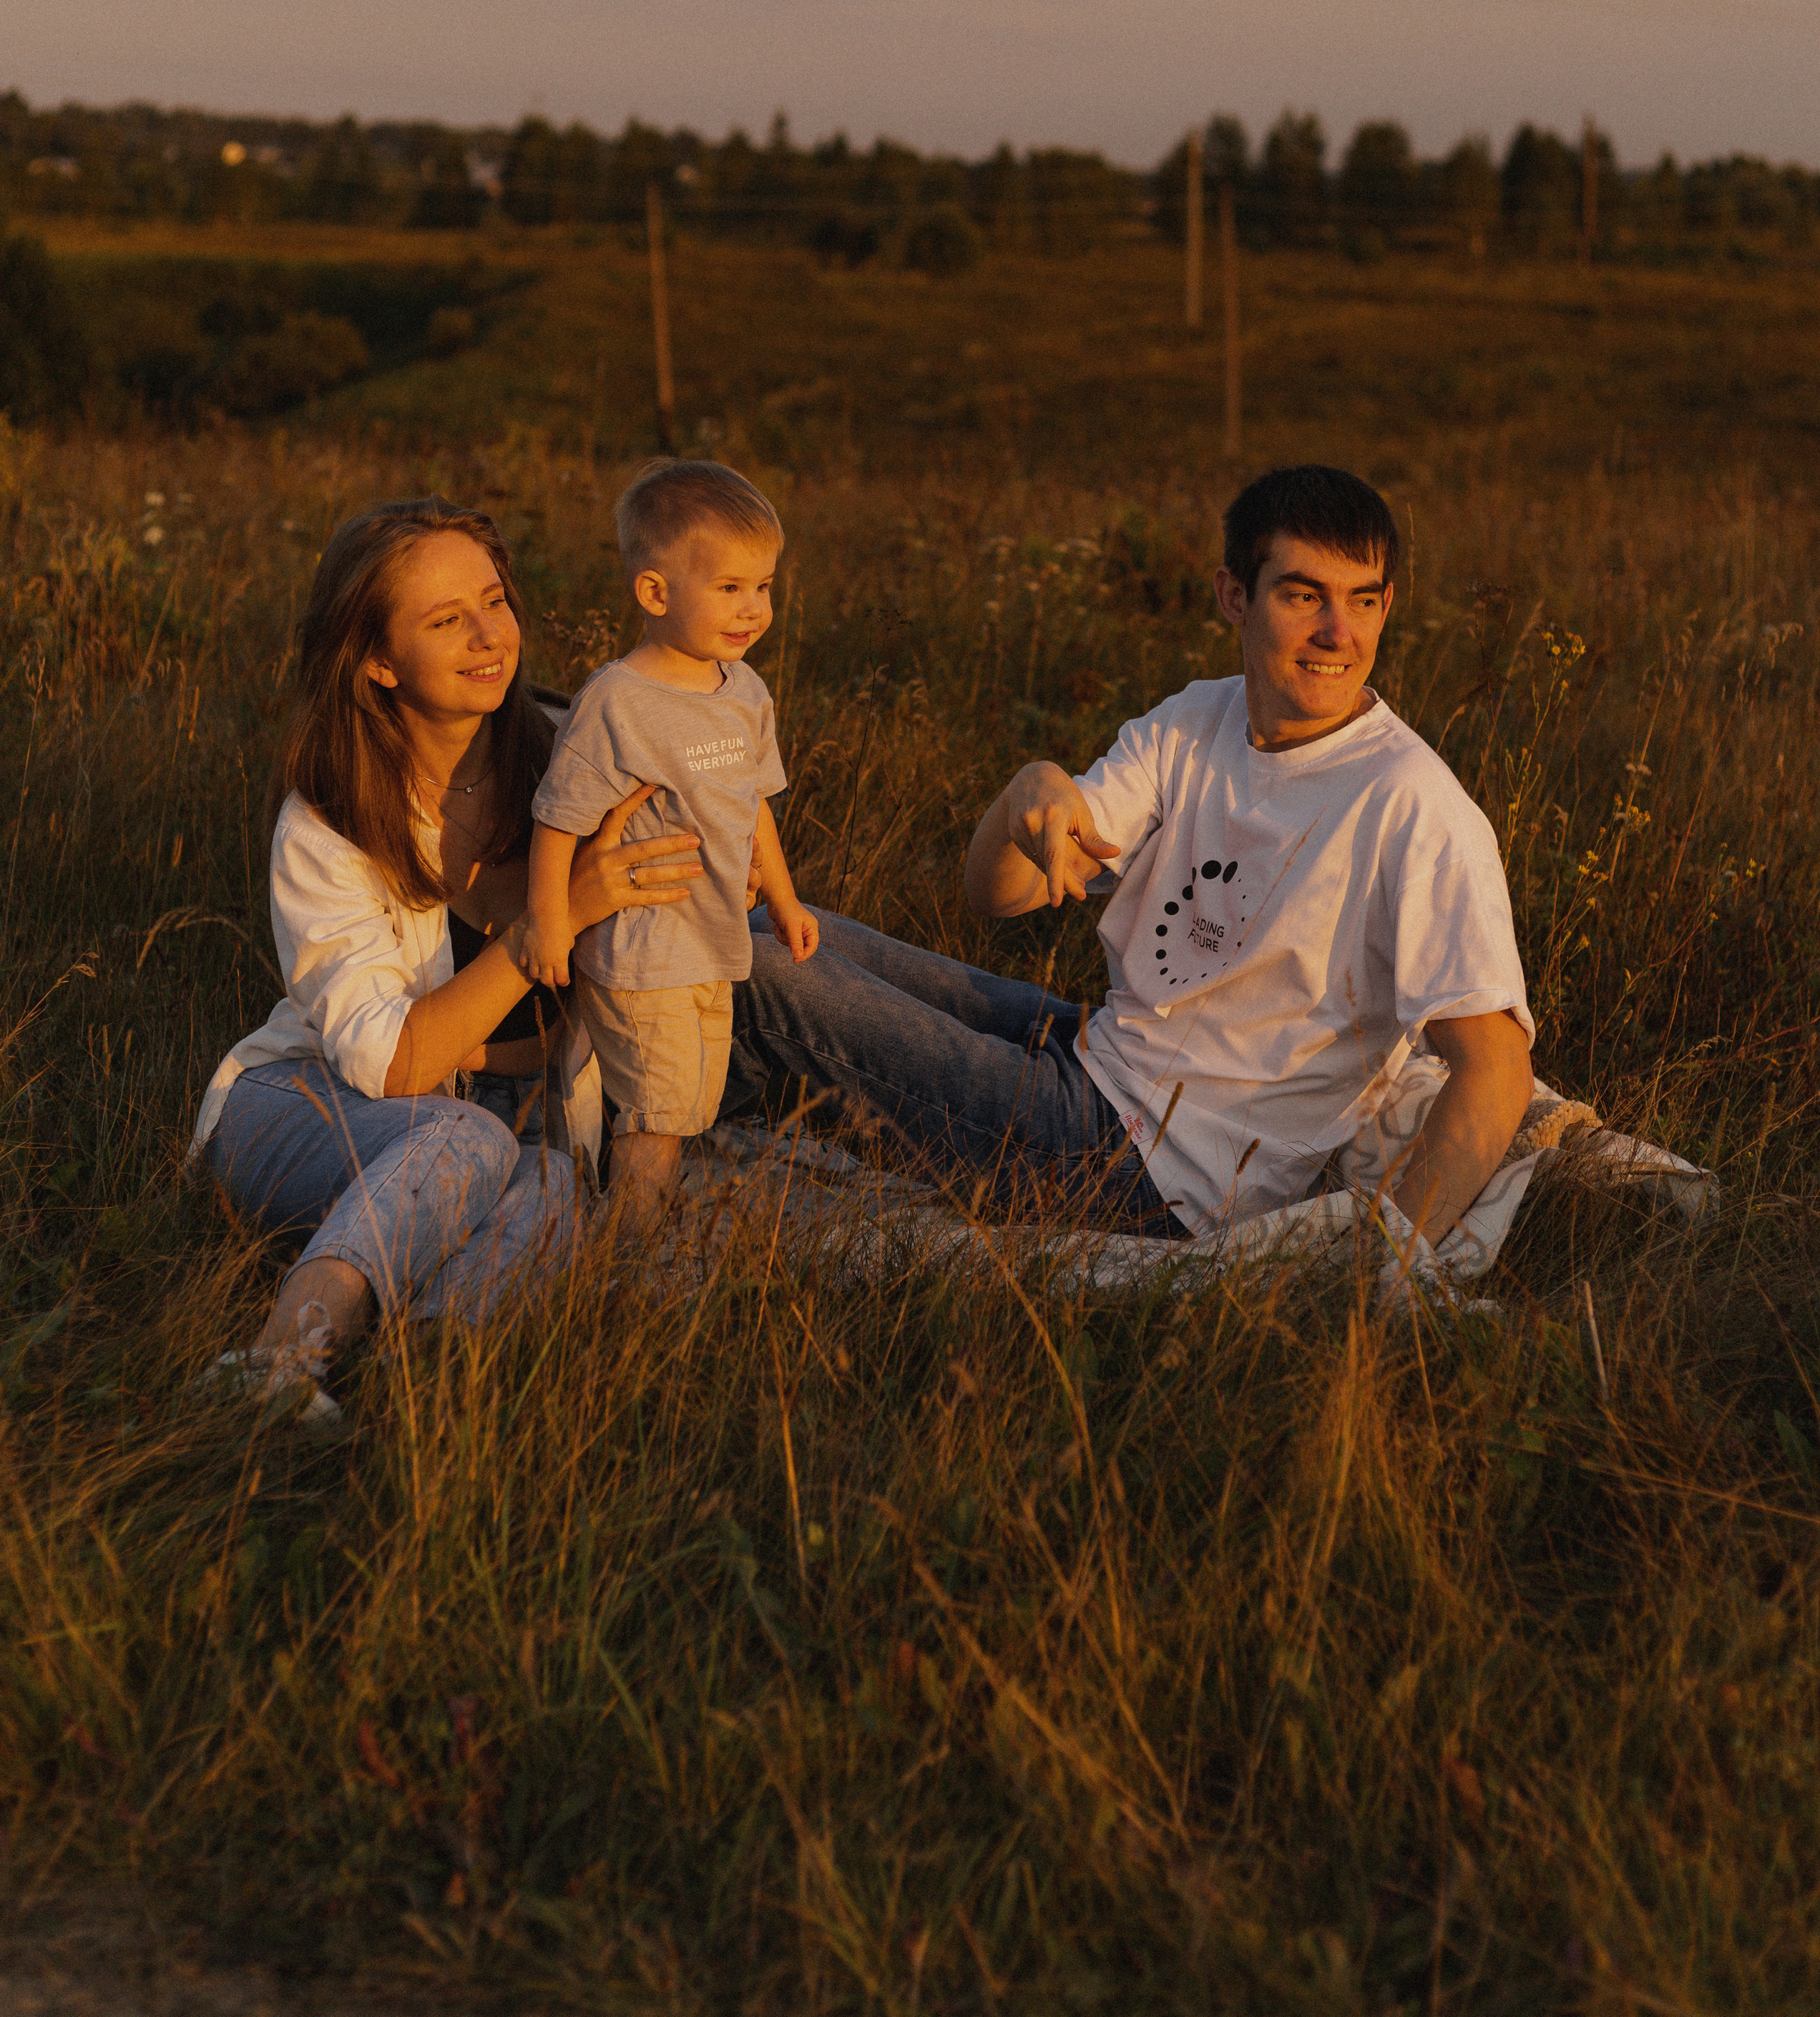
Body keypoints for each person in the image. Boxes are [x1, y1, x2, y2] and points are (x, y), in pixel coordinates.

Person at [725, 465, 1536, 1268]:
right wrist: (1027, 793)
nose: (1338, 632)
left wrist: (1376, 1272)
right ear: (1233, 597)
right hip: (1099, 1053)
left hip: (1155, 1175)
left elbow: (1495, 1074)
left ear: (1387, 605)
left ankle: (627, 1175)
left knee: (759, 976)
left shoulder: (1413, 805)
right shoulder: (1195, 721)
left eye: (1363, 600)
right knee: (776, 927)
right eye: (1302, 596)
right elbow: (995, 895)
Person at [193, 497, 705, 1420]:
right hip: (304, 1109)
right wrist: (555, 916)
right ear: (379, 664)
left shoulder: (578, 752)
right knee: (464, 1134)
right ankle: (274, 1362)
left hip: (509, 1115)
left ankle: (417, 1392)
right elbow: (393, 1064)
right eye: (444, 621)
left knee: (548, 1178)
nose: (487, 637)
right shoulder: (329, 821)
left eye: (495, 601)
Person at [526, 460, 819, 1231]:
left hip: (712, 938)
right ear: (655, 593)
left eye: (763, 586)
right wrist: (550, 921)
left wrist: (784, 898)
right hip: (644, 948)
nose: (753, 609)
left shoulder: (742, 689)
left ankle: (631, 1212)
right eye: (729, 588)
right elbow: (556, 818)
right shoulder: (619, 702)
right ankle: (630, 1246)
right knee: (657, 1114)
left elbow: (754, 802)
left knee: (686, 1099)